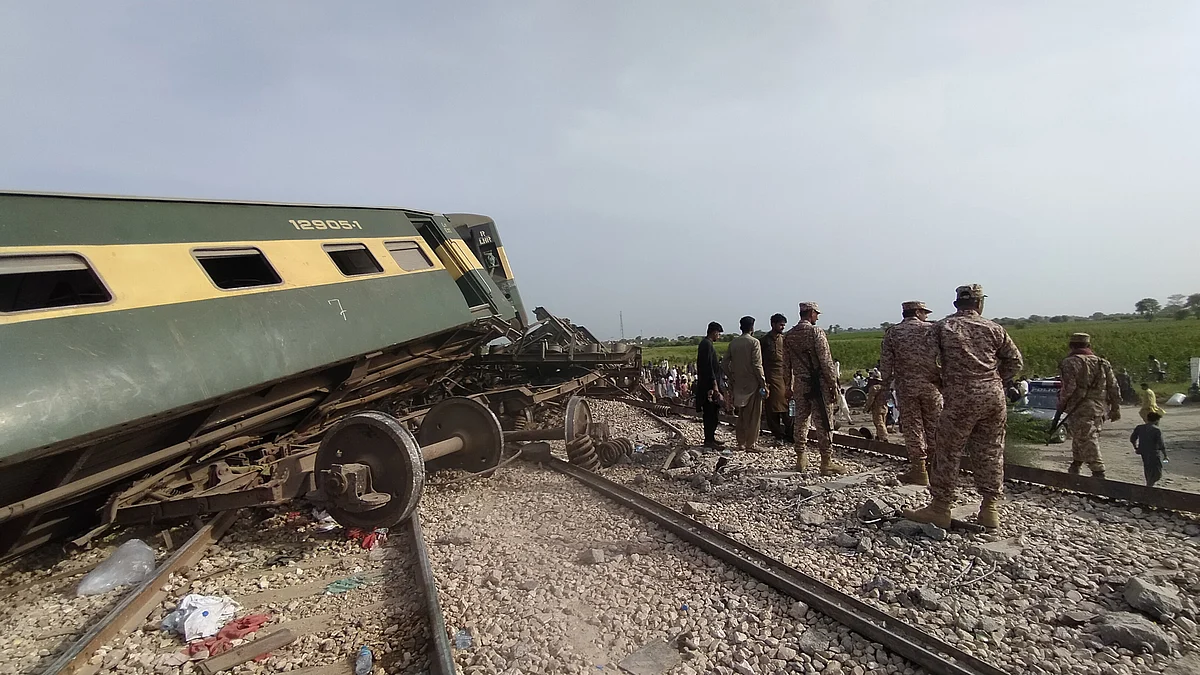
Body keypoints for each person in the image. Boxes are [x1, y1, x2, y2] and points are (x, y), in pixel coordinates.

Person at [904, 285, 1023, 530]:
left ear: (956, 303)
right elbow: (1015, 361)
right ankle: (989, 509)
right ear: (979, 304)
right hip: (993, 397)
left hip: (960, 397)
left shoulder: (943, 327)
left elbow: (923, 362)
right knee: (990, 451)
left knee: (948, 451)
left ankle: (940, 508)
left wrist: (943, 380)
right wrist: (995, 379)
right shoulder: (994, 328)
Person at [879, 300, 943, 485]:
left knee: (913, 427)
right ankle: (936, 469)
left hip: (906, 388)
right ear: (917, 312)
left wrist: (885, 388)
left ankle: (919, 470)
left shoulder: (893, 333)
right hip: (931, 386)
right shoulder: (933, 330)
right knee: (934, 426)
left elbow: (885, 365)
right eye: (924, 312)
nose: (926, 316)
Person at [783, 302, 849, 474]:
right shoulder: (816, 332)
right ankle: (826, 461)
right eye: (816, 314)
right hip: (819, 384)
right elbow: (826, 362)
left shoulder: (788, 336)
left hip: (800, 383)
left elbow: (785, 365)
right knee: (824, 422)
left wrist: (786, 386)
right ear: (811, 313)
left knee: (800, 420)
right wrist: (833, 386)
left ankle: (800, 458)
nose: (817, 317)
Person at [1057, 333, 1121, 478]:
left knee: (1087, 437)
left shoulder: (1069, 362)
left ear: (1071, 346)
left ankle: (1098, 471)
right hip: (1099, 407)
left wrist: (1061, 404)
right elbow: (1114, 387)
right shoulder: (1102, 363)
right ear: (1089, 345)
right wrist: (1115, 407)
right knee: (1081, 435)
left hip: (1079, 407)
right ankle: (1076, 464)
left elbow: (1069, 388)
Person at [723, 316, 767, 452]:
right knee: (754, 415)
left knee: (741, 414)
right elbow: (757, 365)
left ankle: (740, 442)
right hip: (753, 383)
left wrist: (732, 376)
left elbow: (724, 364)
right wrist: (763, 383)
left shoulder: (734, 343)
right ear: (752, 327)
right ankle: (751, 444)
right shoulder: (754, 343)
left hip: (738, 383)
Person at [759, 313, 790, 442]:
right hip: (770, 377)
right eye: (780, 324)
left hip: (784, 376)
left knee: (788, 406)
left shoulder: (785, 340)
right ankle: (778, 435)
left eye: (784, 325)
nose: (782, 327)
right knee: (772, 407)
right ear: (773, 324)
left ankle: (790, 434)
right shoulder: (764, 341)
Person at [696, 322, 725, 448]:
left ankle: (711, 438)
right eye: (718, 333)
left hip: (708, 384)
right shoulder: (707, 345)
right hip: (708, 387)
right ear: (714, 332)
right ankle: (709, 440)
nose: (718, 336)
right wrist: (714, 386)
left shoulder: (706, 344)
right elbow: (708, 368)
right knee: (710, 413)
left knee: (713, 413)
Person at [1130, 411, 1167, 487]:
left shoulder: (1140, 427)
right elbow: (1161, 444)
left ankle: (1149, 484)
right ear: (1157, 420)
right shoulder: (1156, 430)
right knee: (1156, 472)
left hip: (1143, 452)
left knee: (1147, 468)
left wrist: (1136, 447)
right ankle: (1149, 486)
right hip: (1153, 453)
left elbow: (1132, 439)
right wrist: (1165, 455)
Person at [864, 372, 889, 441]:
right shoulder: (884, 388)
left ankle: (884, 438)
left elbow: (870, 400)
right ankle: (879, 437)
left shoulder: (874, 388)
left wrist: (866, 408)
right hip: (885, 407)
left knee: (879, 423)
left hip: (877, 408)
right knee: (883, 423)